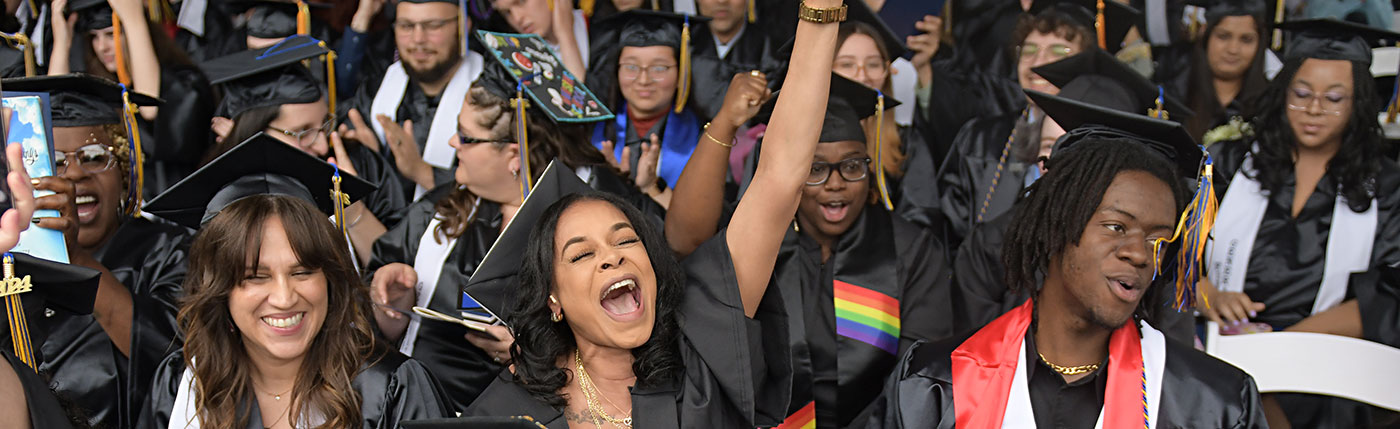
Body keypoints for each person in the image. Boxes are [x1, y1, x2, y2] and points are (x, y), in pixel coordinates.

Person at [459, 2, 842, 424]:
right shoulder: (512, 413)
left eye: (626, 239)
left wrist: (819, 13)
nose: (612, 256)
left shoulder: (700, 348)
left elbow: (780, 177)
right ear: (554, 299)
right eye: (581, 254)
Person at [864, 86, 1268, 428]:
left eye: (1158, 241)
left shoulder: (1214, 405)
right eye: (1116, 227)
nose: (1140, 254)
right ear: (1056, 227)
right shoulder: (934, 385)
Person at [367, 36, 660, 413]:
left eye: (468, 136)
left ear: (513, 155)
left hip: (532, 414)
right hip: (416, 410)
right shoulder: (440, 211)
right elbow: (381, 318)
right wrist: (392, 307)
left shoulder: (589, 221)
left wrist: (535, 355)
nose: (453, 142)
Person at [688, 72, 955, 428]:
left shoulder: (913, 250)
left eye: (851, 166)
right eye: (815, 169)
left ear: (869, 166)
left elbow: (918, 371)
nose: (836, 184)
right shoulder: (756, 248)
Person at [138, 134, 451, 428]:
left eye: (302, 272)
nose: (284, 297)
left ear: (330, 277)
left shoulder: (390, 386)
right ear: (220, 290)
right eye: (256, 277)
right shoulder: (183, 383)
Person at [1203, 19, 1400, 428]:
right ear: (1283, 92)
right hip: (1221, 344)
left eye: (1334, 98)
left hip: (1331, 366)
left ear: (1358, 103)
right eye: (1302, 94)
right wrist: (1209, 295)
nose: (1314, 109)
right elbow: (1176, 255)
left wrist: (1282, 349)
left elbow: (1390, 293)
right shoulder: (1231, 163)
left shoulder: (1387, 184)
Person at [947, 49, 1195, 337]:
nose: (1057, 166)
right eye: (1050, 149)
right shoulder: (993, 243)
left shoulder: (1154, 252)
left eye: (1085, 161)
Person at [1, 74, 188, 428]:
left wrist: (75, 259)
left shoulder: (169, 250)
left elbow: (176, 356)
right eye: (54, 162)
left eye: (93, 156)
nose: (74, 175)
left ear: (124, 170)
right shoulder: (11, 266)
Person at [925, 0, 1139, 242]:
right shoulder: (980, 139)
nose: (1037, 62)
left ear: (1088, 63)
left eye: (1058, 51)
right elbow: (949, 233)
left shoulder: (1107, 145)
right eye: (1028, 50)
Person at [202, 35, 409, 262]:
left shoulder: (356, 163)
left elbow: (399, 269)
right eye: (304, 132)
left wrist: (350, 206)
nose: (321, 145)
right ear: (256, 132)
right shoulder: (223, 195)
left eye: (324, 125)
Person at [50, 0, 217, 195]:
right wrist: (62, 41)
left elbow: (149, 107)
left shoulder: (185, 83)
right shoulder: (100, 89)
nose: (102, 47)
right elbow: (57, 113)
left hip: (167, 207)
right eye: (94, 37)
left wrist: (133, 20)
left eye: (111, 34)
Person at [345, 0, 486, 198]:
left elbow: (503, 188)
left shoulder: (496, 95)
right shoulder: (374, 90)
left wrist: (422, 172)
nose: (418, 39)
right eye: (406, 26)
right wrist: (370, 158)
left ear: (464, 25)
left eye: (433, 25)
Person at [587, 10, 710, 209]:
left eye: (659, 68)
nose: (644, 80)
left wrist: (653, 188)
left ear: (681, 73)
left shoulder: (705, 138)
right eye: (631, 67)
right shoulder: (592, 131)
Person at [1169, 0, 1271, 143]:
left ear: (1260, 44)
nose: (1233, 49)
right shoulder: (1173, 97)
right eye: (1223, 36)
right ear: (1205, 35)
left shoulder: (1270, 106)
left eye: (1246, 40)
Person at [490, 0, 589, 81]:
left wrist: (566, 35)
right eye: (507, 12)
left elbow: (583, 101)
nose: (517, 18)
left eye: (521, 2)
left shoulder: (599, 32)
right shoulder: (517, 59)